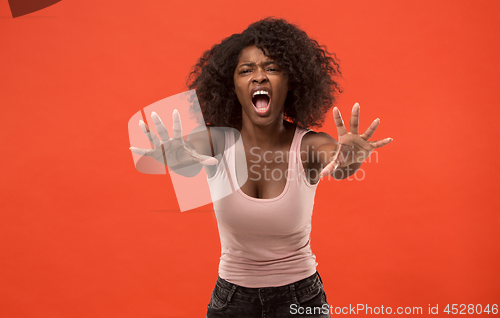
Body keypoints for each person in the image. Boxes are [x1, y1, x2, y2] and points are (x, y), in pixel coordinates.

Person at [130, 18, 392, 318]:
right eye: (246, 70)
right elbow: (191, 151)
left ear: (291, 81)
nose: (259, 77)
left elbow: (338, 162)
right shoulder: (216, 142)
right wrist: (178, 158)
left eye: (272, 68)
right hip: (231, 302)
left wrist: (350, 158)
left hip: (301, 300)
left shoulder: (309, 146)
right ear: (232, 86)